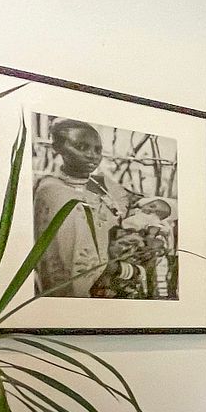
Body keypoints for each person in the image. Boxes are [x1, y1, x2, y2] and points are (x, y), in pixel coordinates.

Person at [32, 119, 127, 298]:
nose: (92, 155)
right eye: (81, 147)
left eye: (97, 150)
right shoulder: (52, 191)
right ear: (58, 148)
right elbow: (61, 259)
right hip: (71, 290)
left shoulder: (101, 187)